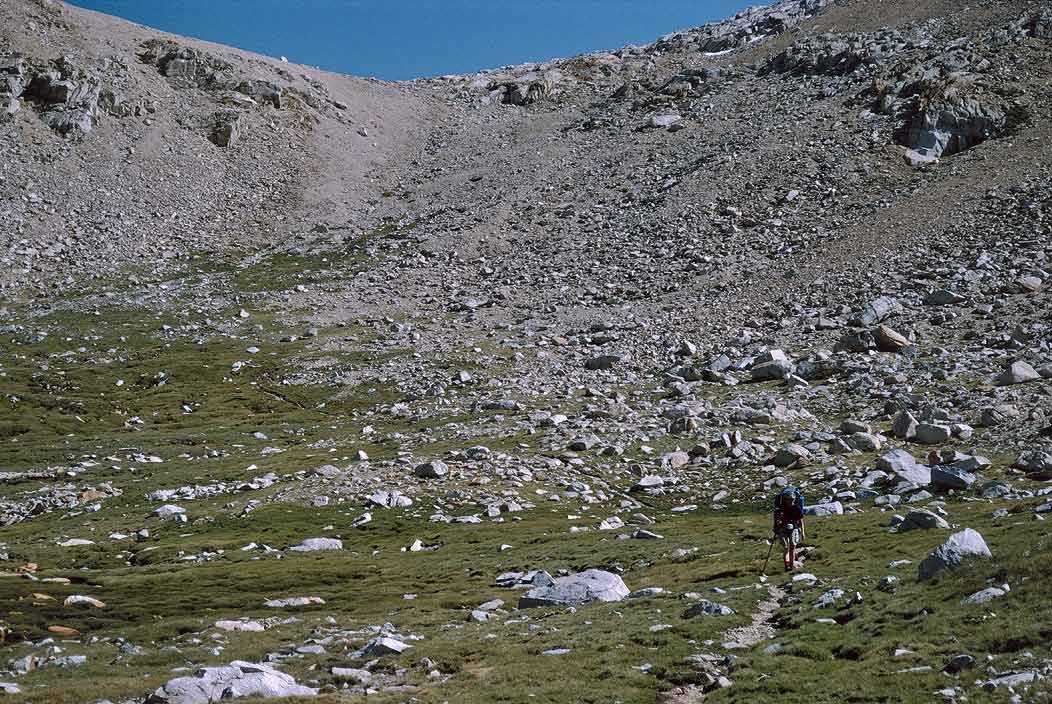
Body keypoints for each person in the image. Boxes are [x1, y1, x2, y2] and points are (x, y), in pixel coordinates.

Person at [773, 486, 805, 571]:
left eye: (792, 500)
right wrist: (778, 523)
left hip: (793, 528)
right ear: (785, 499)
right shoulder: (781, 508)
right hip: (783, 528)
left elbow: (800, 520)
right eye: (789, 500)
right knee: (787, 547)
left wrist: (802, 532)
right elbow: (777, 518)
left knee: (792, 547)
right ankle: (787, 566)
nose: (791, 501)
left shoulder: (796, 507)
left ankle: (790, 565)